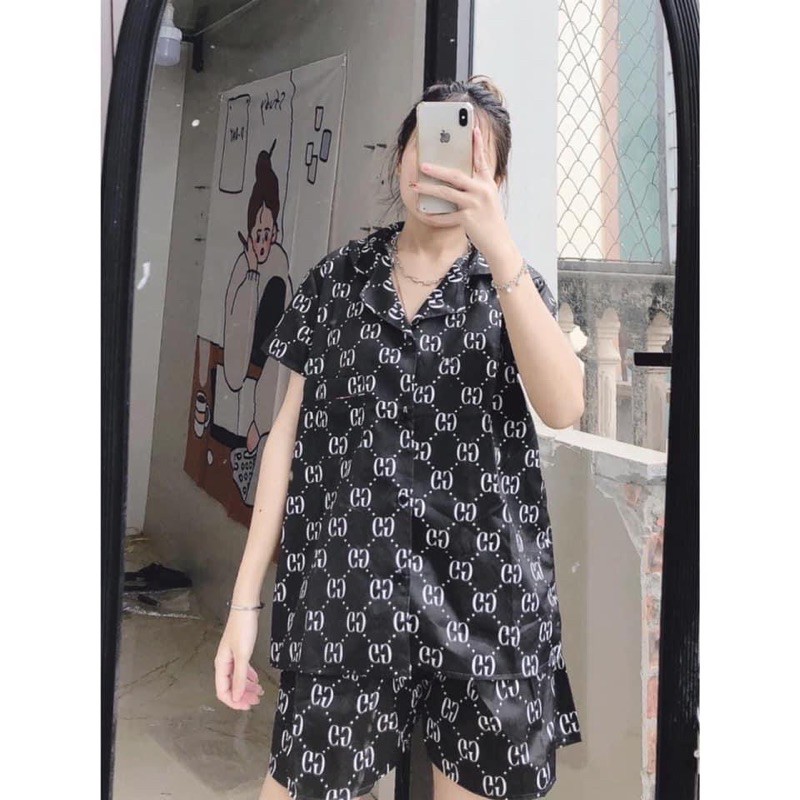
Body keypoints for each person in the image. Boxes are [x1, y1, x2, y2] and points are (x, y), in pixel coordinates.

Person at [214, 76, 586, 800]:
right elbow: (284, 445)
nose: (439, 167)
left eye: (467, 157)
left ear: (496, 181)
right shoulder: (336, 282)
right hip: (344, 600)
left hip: (489, 610)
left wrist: (499, 247)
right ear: (400, 158)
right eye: (428, 144)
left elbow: (565, 405)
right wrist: (243, 604)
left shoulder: (512, 285)